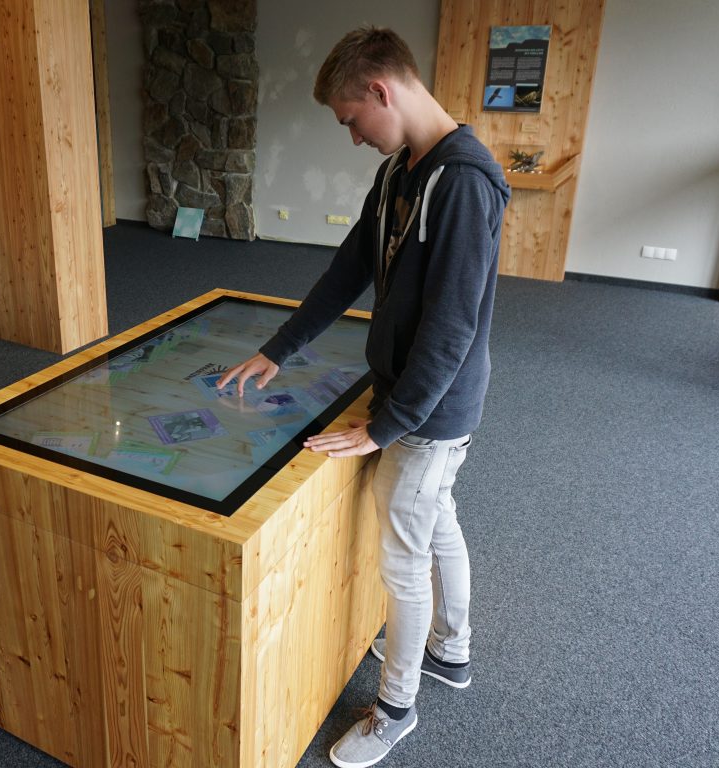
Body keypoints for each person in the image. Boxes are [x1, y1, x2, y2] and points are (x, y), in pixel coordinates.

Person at [217, 26, 510, 768]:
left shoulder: (465, 181)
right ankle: (452, 649)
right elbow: (351, 265)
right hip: (410, 397)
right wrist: (277, 350)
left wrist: (388, 429)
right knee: (435, 516)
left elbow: (452, 327)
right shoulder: (402, 169)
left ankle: (396, 709)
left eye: (352, 120)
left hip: (433, 408)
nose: (352, 138)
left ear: (382, 90)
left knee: (405, 556)